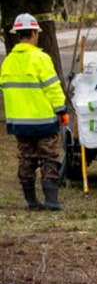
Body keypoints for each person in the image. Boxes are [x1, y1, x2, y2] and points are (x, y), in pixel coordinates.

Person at [1, 13, 68, 211]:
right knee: (49, 157)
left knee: (26, 158)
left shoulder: (8, 61)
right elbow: (53, 88)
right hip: (43, 120)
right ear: (33, 33)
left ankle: (31, 201)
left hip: (18, 122)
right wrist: (61, 110)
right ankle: (51, 201)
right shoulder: (41, 58)